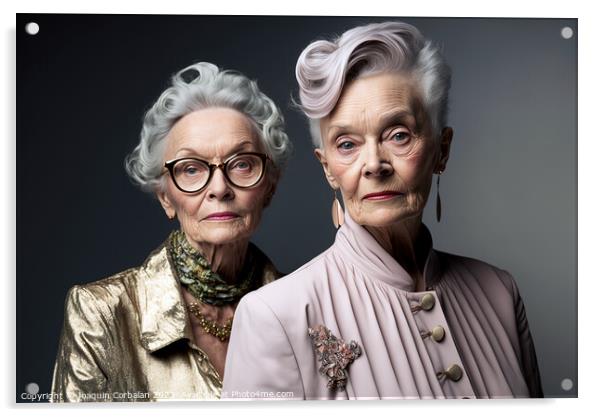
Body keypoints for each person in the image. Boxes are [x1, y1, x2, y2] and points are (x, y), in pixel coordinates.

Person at [222, 21, 543, 399]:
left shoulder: (499, 293)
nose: (374, 164)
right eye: (347, 144)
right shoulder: (273, 316)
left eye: (398, 135)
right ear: (327, 167)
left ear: (443, 148)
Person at [50, 62, 292, 401]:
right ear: (166, 197)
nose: (219, 188)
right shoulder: (102, 312)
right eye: (191, 169)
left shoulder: (306, 307)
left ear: (269, 186)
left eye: (241, 164)